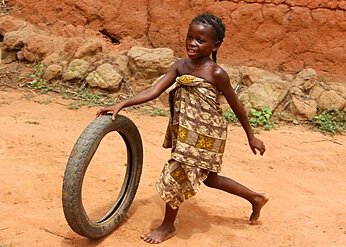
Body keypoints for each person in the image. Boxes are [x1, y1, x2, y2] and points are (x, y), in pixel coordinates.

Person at [96, 13, 269, 244]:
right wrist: (122, 103)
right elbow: (154, 90)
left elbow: (236, 105)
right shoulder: (180, 66)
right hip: (185, 131)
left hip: (207, 132)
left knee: (176, 173)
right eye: (190, 37)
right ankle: (255, 198)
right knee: (210, 179)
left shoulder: (216, 73)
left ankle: (167, 226)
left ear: (215, 45)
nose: (192, 43)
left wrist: (251, 137)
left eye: (200, 40)